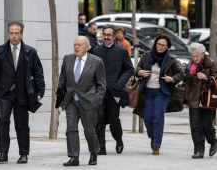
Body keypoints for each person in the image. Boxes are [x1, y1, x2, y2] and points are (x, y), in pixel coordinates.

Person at [0, 21, 45, 164]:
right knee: (3, 120)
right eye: (11, 33)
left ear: (21, 34)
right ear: (8, 34)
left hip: (22, 93)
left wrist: (40, 91)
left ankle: (23, 154)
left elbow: (38, 72)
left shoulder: (30, 52)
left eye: (17, 33)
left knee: (22, 124)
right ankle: (3, 152)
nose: (14, 36)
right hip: (5, 93)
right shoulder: (1, 50)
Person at [56, 36, 106, 166]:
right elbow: (62, 80)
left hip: (88, 101)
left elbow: (101, 84)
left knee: (89, 130)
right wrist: (60, 98)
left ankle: (94, 152)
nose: (76, 47)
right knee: (71, 129)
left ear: (87, 47)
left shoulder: (96, 61)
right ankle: (74, 157)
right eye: (75, 45)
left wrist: (97, 100)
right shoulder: (68, 59)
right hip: (71, 100)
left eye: (79, 45)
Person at [134, 34, 184, 155]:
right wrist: (139, 72)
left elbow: (181, 74)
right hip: (147, 92)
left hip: (162, 92)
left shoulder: (171, 60)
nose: (161, 47)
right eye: (159, 44)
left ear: (167, 47)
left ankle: (156, 145)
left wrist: (171, 79)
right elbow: (136, 69)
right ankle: (153, 136)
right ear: (155, 44)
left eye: (164, 46)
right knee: (147, 118)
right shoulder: (146, 56)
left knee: (158, 118)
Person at [93, 24, 134, 155]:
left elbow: (129, 69)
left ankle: (119, 140)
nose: (106, 37)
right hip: (99, 91)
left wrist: (120, 82)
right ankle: (101, 146)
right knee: (99, 119)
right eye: (104, 34)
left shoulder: (121, 51)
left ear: (114, 36)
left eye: (109, 35)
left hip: (114, 91)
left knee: (113, 119)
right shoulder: (96, 51)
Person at [183, 42, 217, 159]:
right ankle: (199, 151)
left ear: (202, 54)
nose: (195, 58)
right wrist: (185, 100)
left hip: (207, 100)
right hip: (193, 99)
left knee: (207, 125)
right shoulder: (189, 67)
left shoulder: (211, 64)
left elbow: (216, 80)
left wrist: (206, 78)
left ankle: (213, 141)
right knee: (195, 127)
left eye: (197, 56)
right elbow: (187, 85)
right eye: (193, 56)